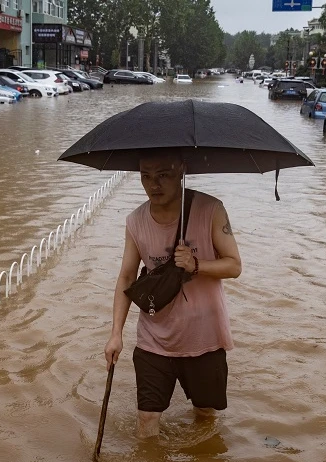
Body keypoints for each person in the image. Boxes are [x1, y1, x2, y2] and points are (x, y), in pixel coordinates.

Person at [104, 154, 242, 439]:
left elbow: (234, 265)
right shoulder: (135, 221)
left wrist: (197, 265)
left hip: (205, 338)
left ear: (182, 170)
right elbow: (127, 277)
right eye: (146, 176)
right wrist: (115, 333)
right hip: (154, 338)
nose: (153, 185)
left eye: (163, 175)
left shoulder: (211, 210)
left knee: (205, 418)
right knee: (146, 420)